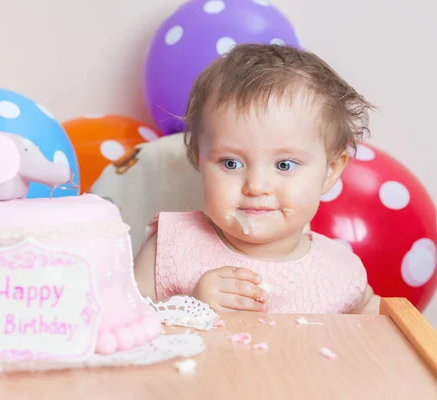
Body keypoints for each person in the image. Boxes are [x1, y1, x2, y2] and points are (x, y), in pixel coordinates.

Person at [134, 43, 381, 314]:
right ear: (199, 158)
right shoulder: (171, 246)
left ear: (331, 170)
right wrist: (189, 307)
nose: (256, 186)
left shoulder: (340, 271)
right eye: (231, 163)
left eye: (284, 165)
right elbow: (122, 324)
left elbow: (372, 340)